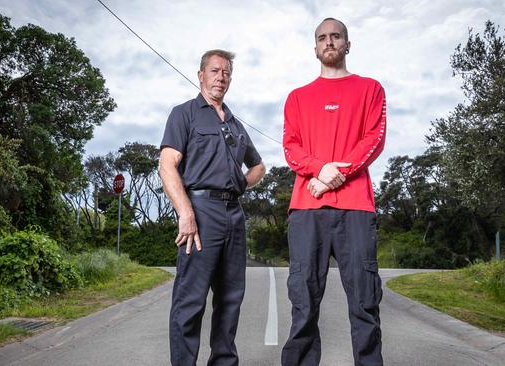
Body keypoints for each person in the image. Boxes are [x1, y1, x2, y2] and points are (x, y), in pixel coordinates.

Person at [281, 18, 387, 366]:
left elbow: (374, 140)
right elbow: (291, 147)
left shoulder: (371, 89)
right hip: (306, 212)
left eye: (336, 36)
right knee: (304, 304)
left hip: (356, 210)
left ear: (347, 44)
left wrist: (327, 178)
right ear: (315, 48)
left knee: (364, 304)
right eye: (322, 38)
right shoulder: (297, 98)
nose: (329, 42)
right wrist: (319, 169)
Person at [159, 49, 266, 366]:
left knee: (231, 298)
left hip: (235, 215)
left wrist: (241, 184)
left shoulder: (235, 124)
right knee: (190, 300)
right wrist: (186, 212)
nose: (222, 77)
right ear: (201, 75)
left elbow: (259, 167)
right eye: (215, 70)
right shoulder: (185, 113)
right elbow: (167, 166)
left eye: (227, 72)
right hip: (201, 211)